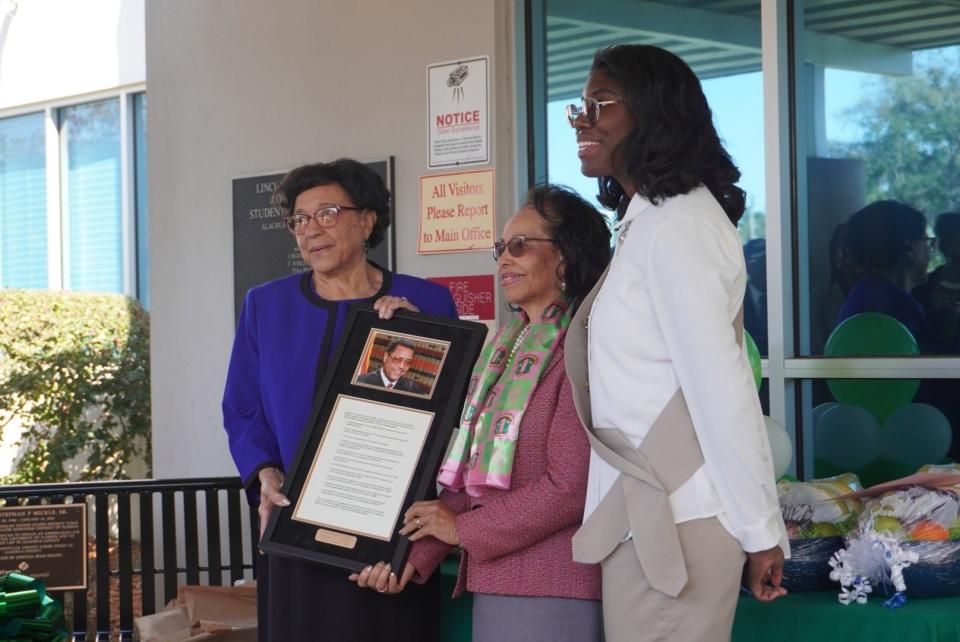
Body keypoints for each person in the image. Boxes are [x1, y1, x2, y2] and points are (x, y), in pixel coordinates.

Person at [564, 44, 789, 642]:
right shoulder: (650, 221)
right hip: (648, 517)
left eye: (600, 103)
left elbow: (722, 390)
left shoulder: (680, 226)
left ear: (655, 114)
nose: (582, 119)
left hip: (679, 521)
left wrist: (761, 530)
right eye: (579, 106)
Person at [350, 185, 612, 642]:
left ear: (566, 258)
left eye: (520, 246)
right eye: (500, 248)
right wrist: (409, 558)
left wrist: (461, 529)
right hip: (497, 582)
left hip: (553, 585)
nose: (503, 260)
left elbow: (571, 486)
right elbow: (472, 480)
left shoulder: (584, 347)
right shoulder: (507, 349)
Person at [222, 158, 457, 642]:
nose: (311, 230)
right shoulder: (265, 305)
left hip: (391, 532)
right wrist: (264, 474)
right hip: (295, 528)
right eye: (300, 220)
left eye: (326, 213)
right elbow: (243, 408)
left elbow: (456, 414)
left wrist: (421, 333)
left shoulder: (427, 302)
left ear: (367, 220)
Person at [836, 200, 931, 347]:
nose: (930, 250)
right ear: (910, 246)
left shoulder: (863, 293)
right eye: (926, 241)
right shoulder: (899, 305)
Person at [356, 337, 427, 393]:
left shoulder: (413, 390)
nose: (402, 366)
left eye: (408, 362)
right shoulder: (361, 382)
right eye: (397, 359)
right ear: (386, 357)